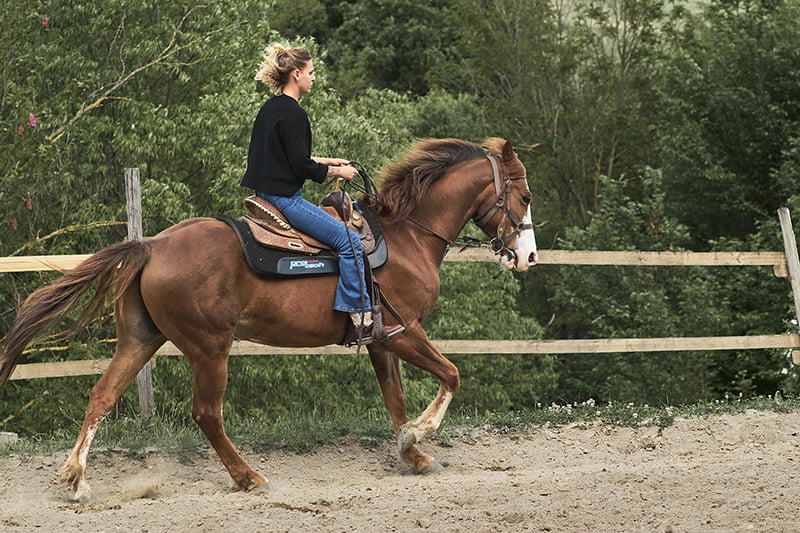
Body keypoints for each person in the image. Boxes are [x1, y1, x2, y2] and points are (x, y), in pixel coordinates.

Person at [241, 44, 402, 344]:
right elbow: (301, 166)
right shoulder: (294, 115)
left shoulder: (271, 108)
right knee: (349, 241)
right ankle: (360, 316)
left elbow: (288, 157)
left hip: (266, 193)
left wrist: (328, 161)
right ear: (297, 74)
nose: (314, 78)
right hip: (286, 200)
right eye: (311, 73)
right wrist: (338, 173)